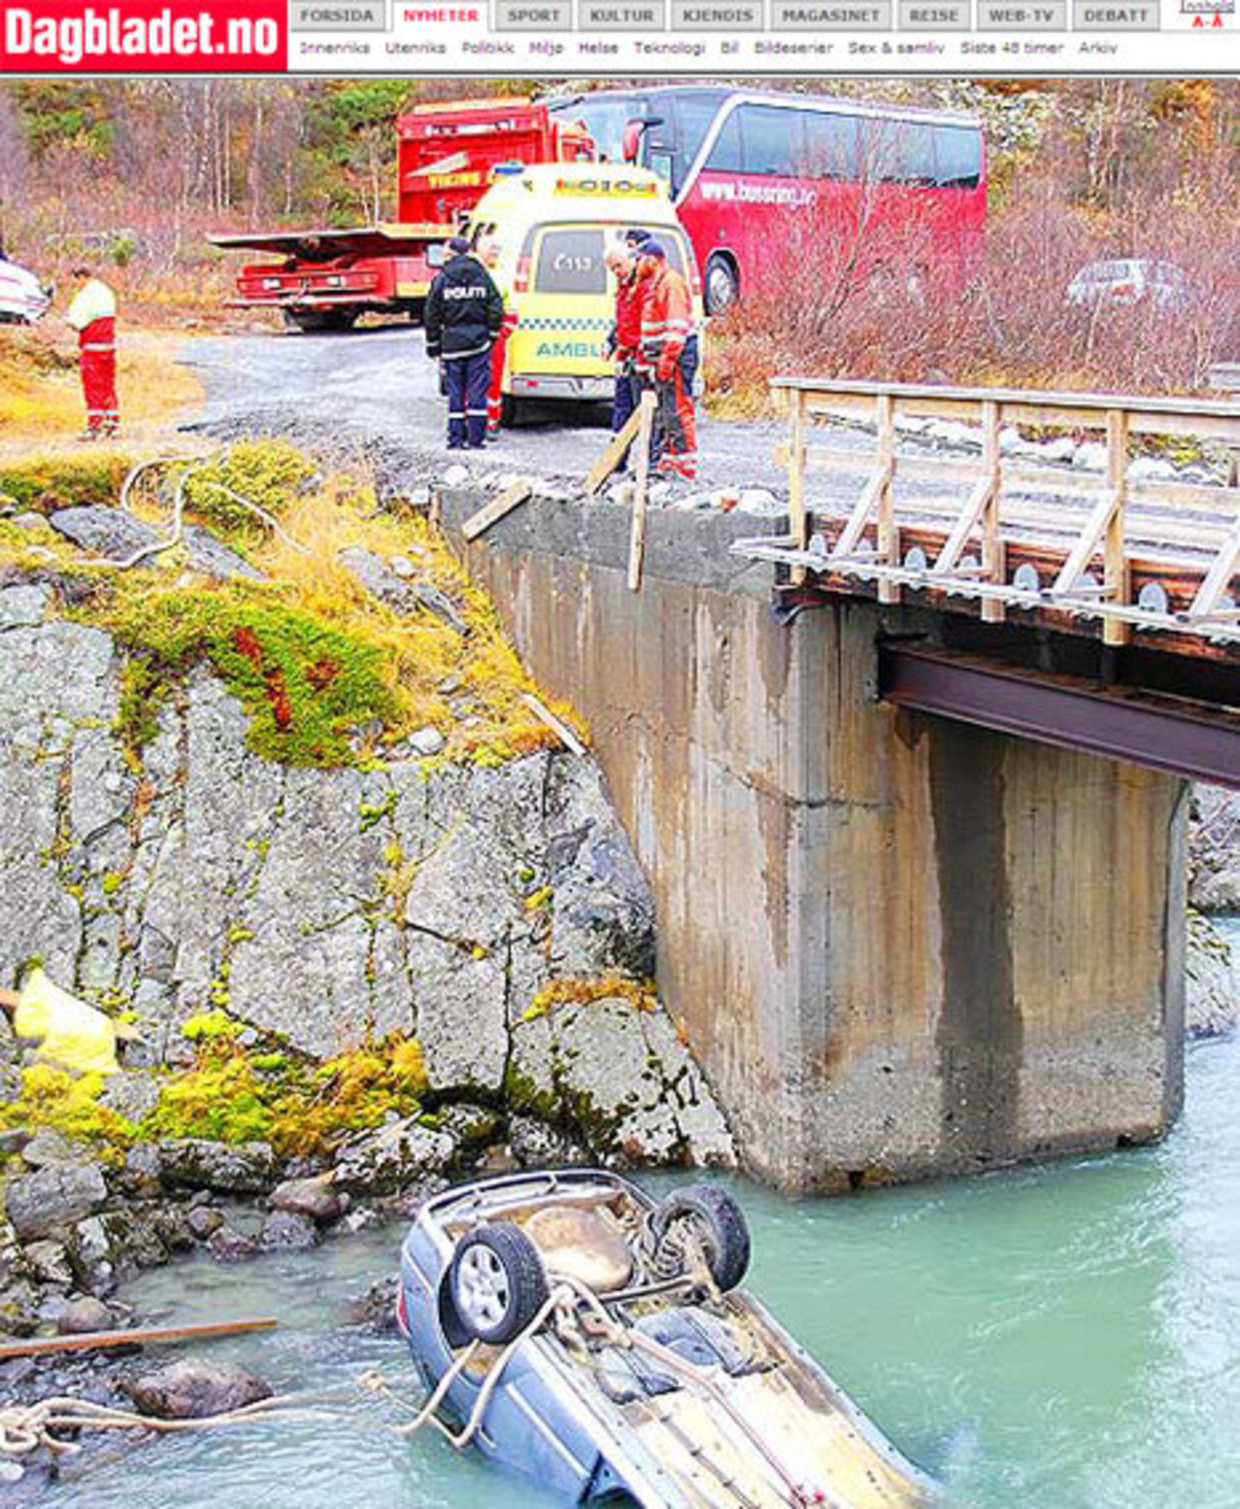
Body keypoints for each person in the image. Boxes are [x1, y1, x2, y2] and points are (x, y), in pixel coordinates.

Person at [424, 235, 503, 451]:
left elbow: (431, 313)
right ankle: (477, 439)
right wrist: (492, 334)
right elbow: (496, 306)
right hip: (479, 343)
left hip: (451, 345)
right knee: (478, 392)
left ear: (451, 254)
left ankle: (455, 439)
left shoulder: (442, 279)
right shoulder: (482, 276)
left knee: (456, 393)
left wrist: (433, 344)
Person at [636, 240, 699, 481]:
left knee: (678, 409)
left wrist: (666, 360)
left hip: (676, 357)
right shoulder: (657, 284)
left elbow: (676, 328)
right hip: (666, 357)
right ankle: (671, 461)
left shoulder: (670, 283)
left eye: (639, 259)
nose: (637, 265)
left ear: (652, 259)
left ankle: (685, 465)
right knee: (666, 411)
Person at [64, 265, 119, 441]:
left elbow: (76, 321)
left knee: (92, 386)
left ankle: (94, 425)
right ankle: (112, 423)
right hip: (109, 347)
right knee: (107, 384)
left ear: (81, 277)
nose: (76, 285)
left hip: (92, 346)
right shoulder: (106, 291)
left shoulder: (86, 295)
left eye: (76, 280)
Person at [478, 235, 518, 441]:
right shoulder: (473, 273)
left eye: (497, 249)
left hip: (494, 339)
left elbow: (511, 310)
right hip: (475, 338)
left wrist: (502, 334)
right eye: (492, 249)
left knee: (494, 380)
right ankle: (475, 421)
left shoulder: (502, 276)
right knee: (474, 380)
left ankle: (492, 421)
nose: (495, 253)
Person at [604, 245, 643, 442]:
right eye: (613, 269)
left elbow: (641, 323)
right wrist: (612, 343)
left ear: (631, 259)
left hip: (640, 356)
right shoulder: (624, 285)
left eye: (619, 266)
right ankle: (618, 459)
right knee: (622, 407)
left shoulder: (643, 285)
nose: (617, 272)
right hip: (627, 355)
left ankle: (648, 464)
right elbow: (623, 321)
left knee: (641, 410)